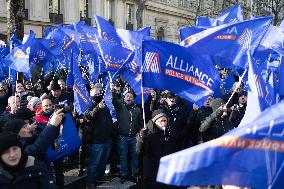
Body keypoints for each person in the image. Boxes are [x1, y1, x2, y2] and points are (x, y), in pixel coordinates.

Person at [136, 109, 180, 189]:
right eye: (160, 121)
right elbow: (141, 152)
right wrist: (141, 140)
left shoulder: (169, 132)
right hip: (152, 169)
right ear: (154, 122)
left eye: (165, 120)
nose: (163, 123)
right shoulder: (147, 134)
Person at [112, 85, 143, 183]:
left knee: (135, 156)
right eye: (127, 96)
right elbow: (114, 101)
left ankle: (135, 172)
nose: (129, 98)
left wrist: (141, 131)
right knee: (123, 156)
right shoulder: (120, 107)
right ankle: (123, 174)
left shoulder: (137, 109)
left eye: (131, 96)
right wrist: (113, 92)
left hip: (134, 137)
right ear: (124, 98)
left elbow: (140, 123)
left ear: (133, 99)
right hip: (122, 137)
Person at [84, 84, 113, 189]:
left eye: (99, 93)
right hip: (96, 141)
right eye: (95, 93)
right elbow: (88, 116)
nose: (97, 95)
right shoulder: (88, 105)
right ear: (91, 95)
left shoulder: (104, 106)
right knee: (94, 162)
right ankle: (90, 182)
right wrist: (97, 108)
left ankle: (99, 177)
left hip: (107, 139)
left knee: (103, 161)